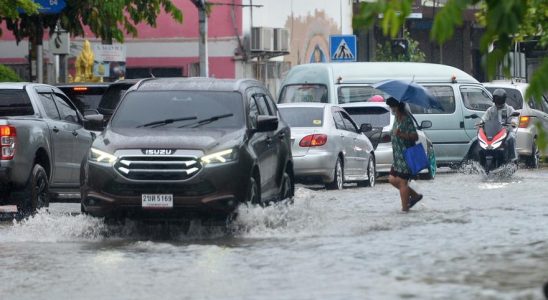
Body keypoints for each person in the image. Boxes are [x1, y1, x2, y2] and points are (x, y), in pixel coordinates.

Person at [386, 97, 423, 212]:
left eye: (391, 106)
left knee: (402, 182)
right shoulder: (397, 118)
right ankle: (415, 196)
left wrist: (401, 134)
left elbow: (415, 136)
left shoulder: (407, 119)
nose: (391, 109)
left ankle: (405, 209)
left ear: (396, 106)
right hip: (397, 158)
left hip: (406, 156)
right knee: (392, 179)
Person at [480, 88, 518, 162]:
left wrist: (513, 122)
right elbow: (484, 118)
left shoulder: (509, 109)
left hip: (507, 131)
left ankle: (513, 158)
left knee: (512, 138)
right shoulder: (491, 110)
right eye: (496, 99)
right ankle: (480, 159)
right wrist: (481, 123)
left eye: (499, 99)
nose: (498, 101)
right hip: (494, 132)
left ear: (503, 99)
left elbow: (515, 117)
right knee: (479, 139)